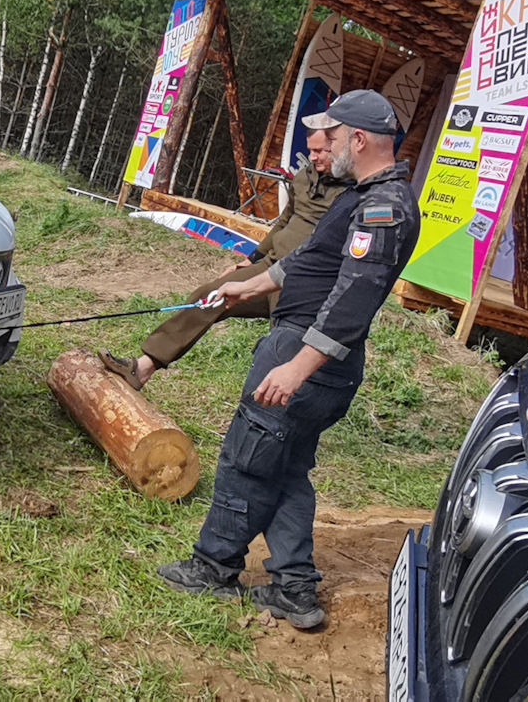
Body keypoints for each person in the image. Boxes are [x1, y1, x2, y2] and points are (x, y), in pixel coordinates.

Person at [154, 89, 420, 630]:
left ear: (359, 139)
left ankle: (213, 566)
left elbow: (354, 297)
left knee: (246, 458)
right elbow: (308, 257)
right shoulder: (360, 194)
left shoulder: (384, 208)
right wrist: (247, 286)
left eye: (334, 136)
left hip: (305, 352)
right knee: (286, 468)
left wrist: (298, 366)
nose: (323, 146)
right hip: (300, 346)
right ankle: (295, 590)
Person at [97, 129, 350, 390]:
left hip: (303, 280)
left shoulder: (351, 193)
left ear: (340, 148)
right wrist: (252, 259)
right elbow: (283, 222)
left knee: (283, 344)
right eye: (311, 150)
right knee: (209, 296)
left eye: (321, 151)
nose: (313, 157)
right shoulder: (305, 176)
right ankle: (143, 368)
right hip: (269, 265)